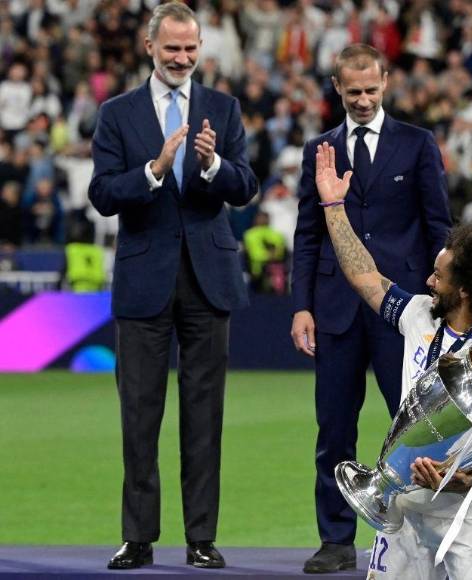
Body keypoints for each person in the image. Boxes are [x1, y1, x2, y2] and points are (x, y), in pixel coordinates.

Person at [88, 2, 257, 570]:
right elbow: (102, 193)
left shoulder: (223, 109)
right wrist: (154, 170)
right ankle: (138, 538)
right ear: (150, 48)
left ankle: (200, 538)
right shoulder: (117, 113)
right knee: (139, 415)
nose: (182, 58)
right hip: (144, 281)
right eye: (172, 49)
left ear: (200, 48)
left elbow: (245, 186)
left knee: (204, 417)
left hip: (209, 281)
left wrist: (211, 166)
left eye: (190, 49)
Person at [314, 141, 472, 579]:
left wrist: (470, 475)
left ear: (465, 290)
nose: (429, 281)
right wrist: (334, 206)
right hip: (403, 505)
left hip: (467, 512)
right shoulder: (417, 315)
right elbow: (364, 276)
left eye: (439, 276)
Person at [290, 44, 452, 573]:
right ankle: (336, 540)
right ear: (337, 87)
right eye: (353, 91)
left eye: (371, 89)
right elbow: (307, 236)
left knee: (415, 427)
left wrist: (444, 298)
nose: (363, 100)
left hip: (403, 312)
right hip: (336, 310)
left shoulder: (418, 143)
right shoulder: (319, 150)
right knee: (334, 428)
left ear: (386, 82)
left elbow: (439, 226)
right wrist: (302, 307)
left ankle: (421, 534)